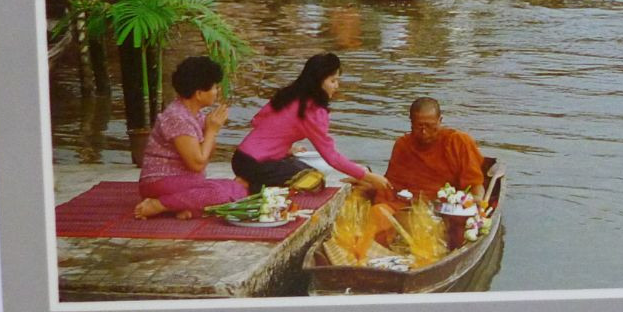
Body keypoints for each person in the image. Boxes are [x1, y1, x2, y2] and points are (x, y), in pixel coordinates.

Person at [232, 52, 391, 194]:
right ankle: (250, 186)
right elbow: (331, 157)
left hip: (240, 158)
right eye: (333, 81)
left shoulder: (289, 95)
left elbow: (257, 121)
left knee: (303, 170)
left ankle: (252, 181)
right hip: (256, 164)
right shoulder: (313, 111)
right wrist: (369, 176)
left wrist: (284, 147)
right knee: (316, 183)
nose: (337, 86)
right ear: (319, 81)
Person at [133, 56, 249, 219]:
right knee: (219, 193)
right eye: (215, 87)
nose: (217, 92)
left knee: (239, 187)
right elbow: (197, 164)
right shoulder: (177, 117)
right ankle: (159, 204)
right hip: (160, 181)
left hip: (184, 181)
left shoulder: (196, 115)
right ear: (199, 93)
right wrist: (212, 131)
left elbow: (207, 155)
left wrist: (211, 128)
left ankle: (179, 207)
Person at [384, 98, 485, 204]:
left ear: (440, 121)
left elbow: (474, 184)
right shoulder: (403, 144)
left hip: (446, 206)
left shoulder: (458, 142)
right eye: (419, 126)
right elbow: (393, 184)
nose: (424, 132)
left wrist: (474, 200)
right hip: (410, 203)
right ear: (411, 122)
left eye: (430, 126)